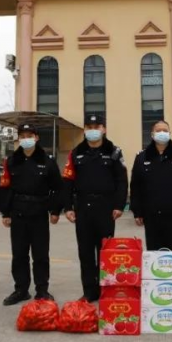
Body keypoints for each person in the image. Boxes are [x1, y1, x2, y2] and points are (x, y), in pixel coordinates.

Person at [62, 114, 128, 302]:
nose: (93, 130)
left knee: (105, 252)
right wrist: (67, 207)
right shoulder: (76, 153)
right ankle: (89, 292)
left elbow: (121, 181)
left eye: (97, 126)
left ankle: (105, 290)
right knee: (85, 252)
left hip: (106, 208)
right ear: (85, 130)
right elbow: (67, 181)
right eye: (89, 126)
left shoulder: (114, 152)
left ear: (104, 129)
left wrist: (119, 205)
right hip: (82, 207)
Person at [0, 123, 63, 306]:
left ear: (36, 137)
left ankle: (42, 290)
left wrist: (55, 210)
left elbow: (58, 188)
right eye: (22, 135)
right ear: (18, 138)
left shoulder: (47, 161)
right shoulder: (12, 161)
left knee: (41, 255)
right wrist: (6, 212)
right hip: (18, 212)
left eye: (30, 135)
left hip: (39, 212)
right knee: (19, 254)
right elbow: (6, 188)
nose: (26, 139)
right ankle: (21, 289)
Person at [130, 120, 172, 250]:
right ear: (152, 134)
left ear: (170, 133)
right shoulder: (142, 158)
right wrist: (137, 212)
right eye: (158, 130)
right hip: (151, 215)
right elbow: (135, 186)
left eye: (165, 131)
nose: (162, 133)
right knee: (154, 253)